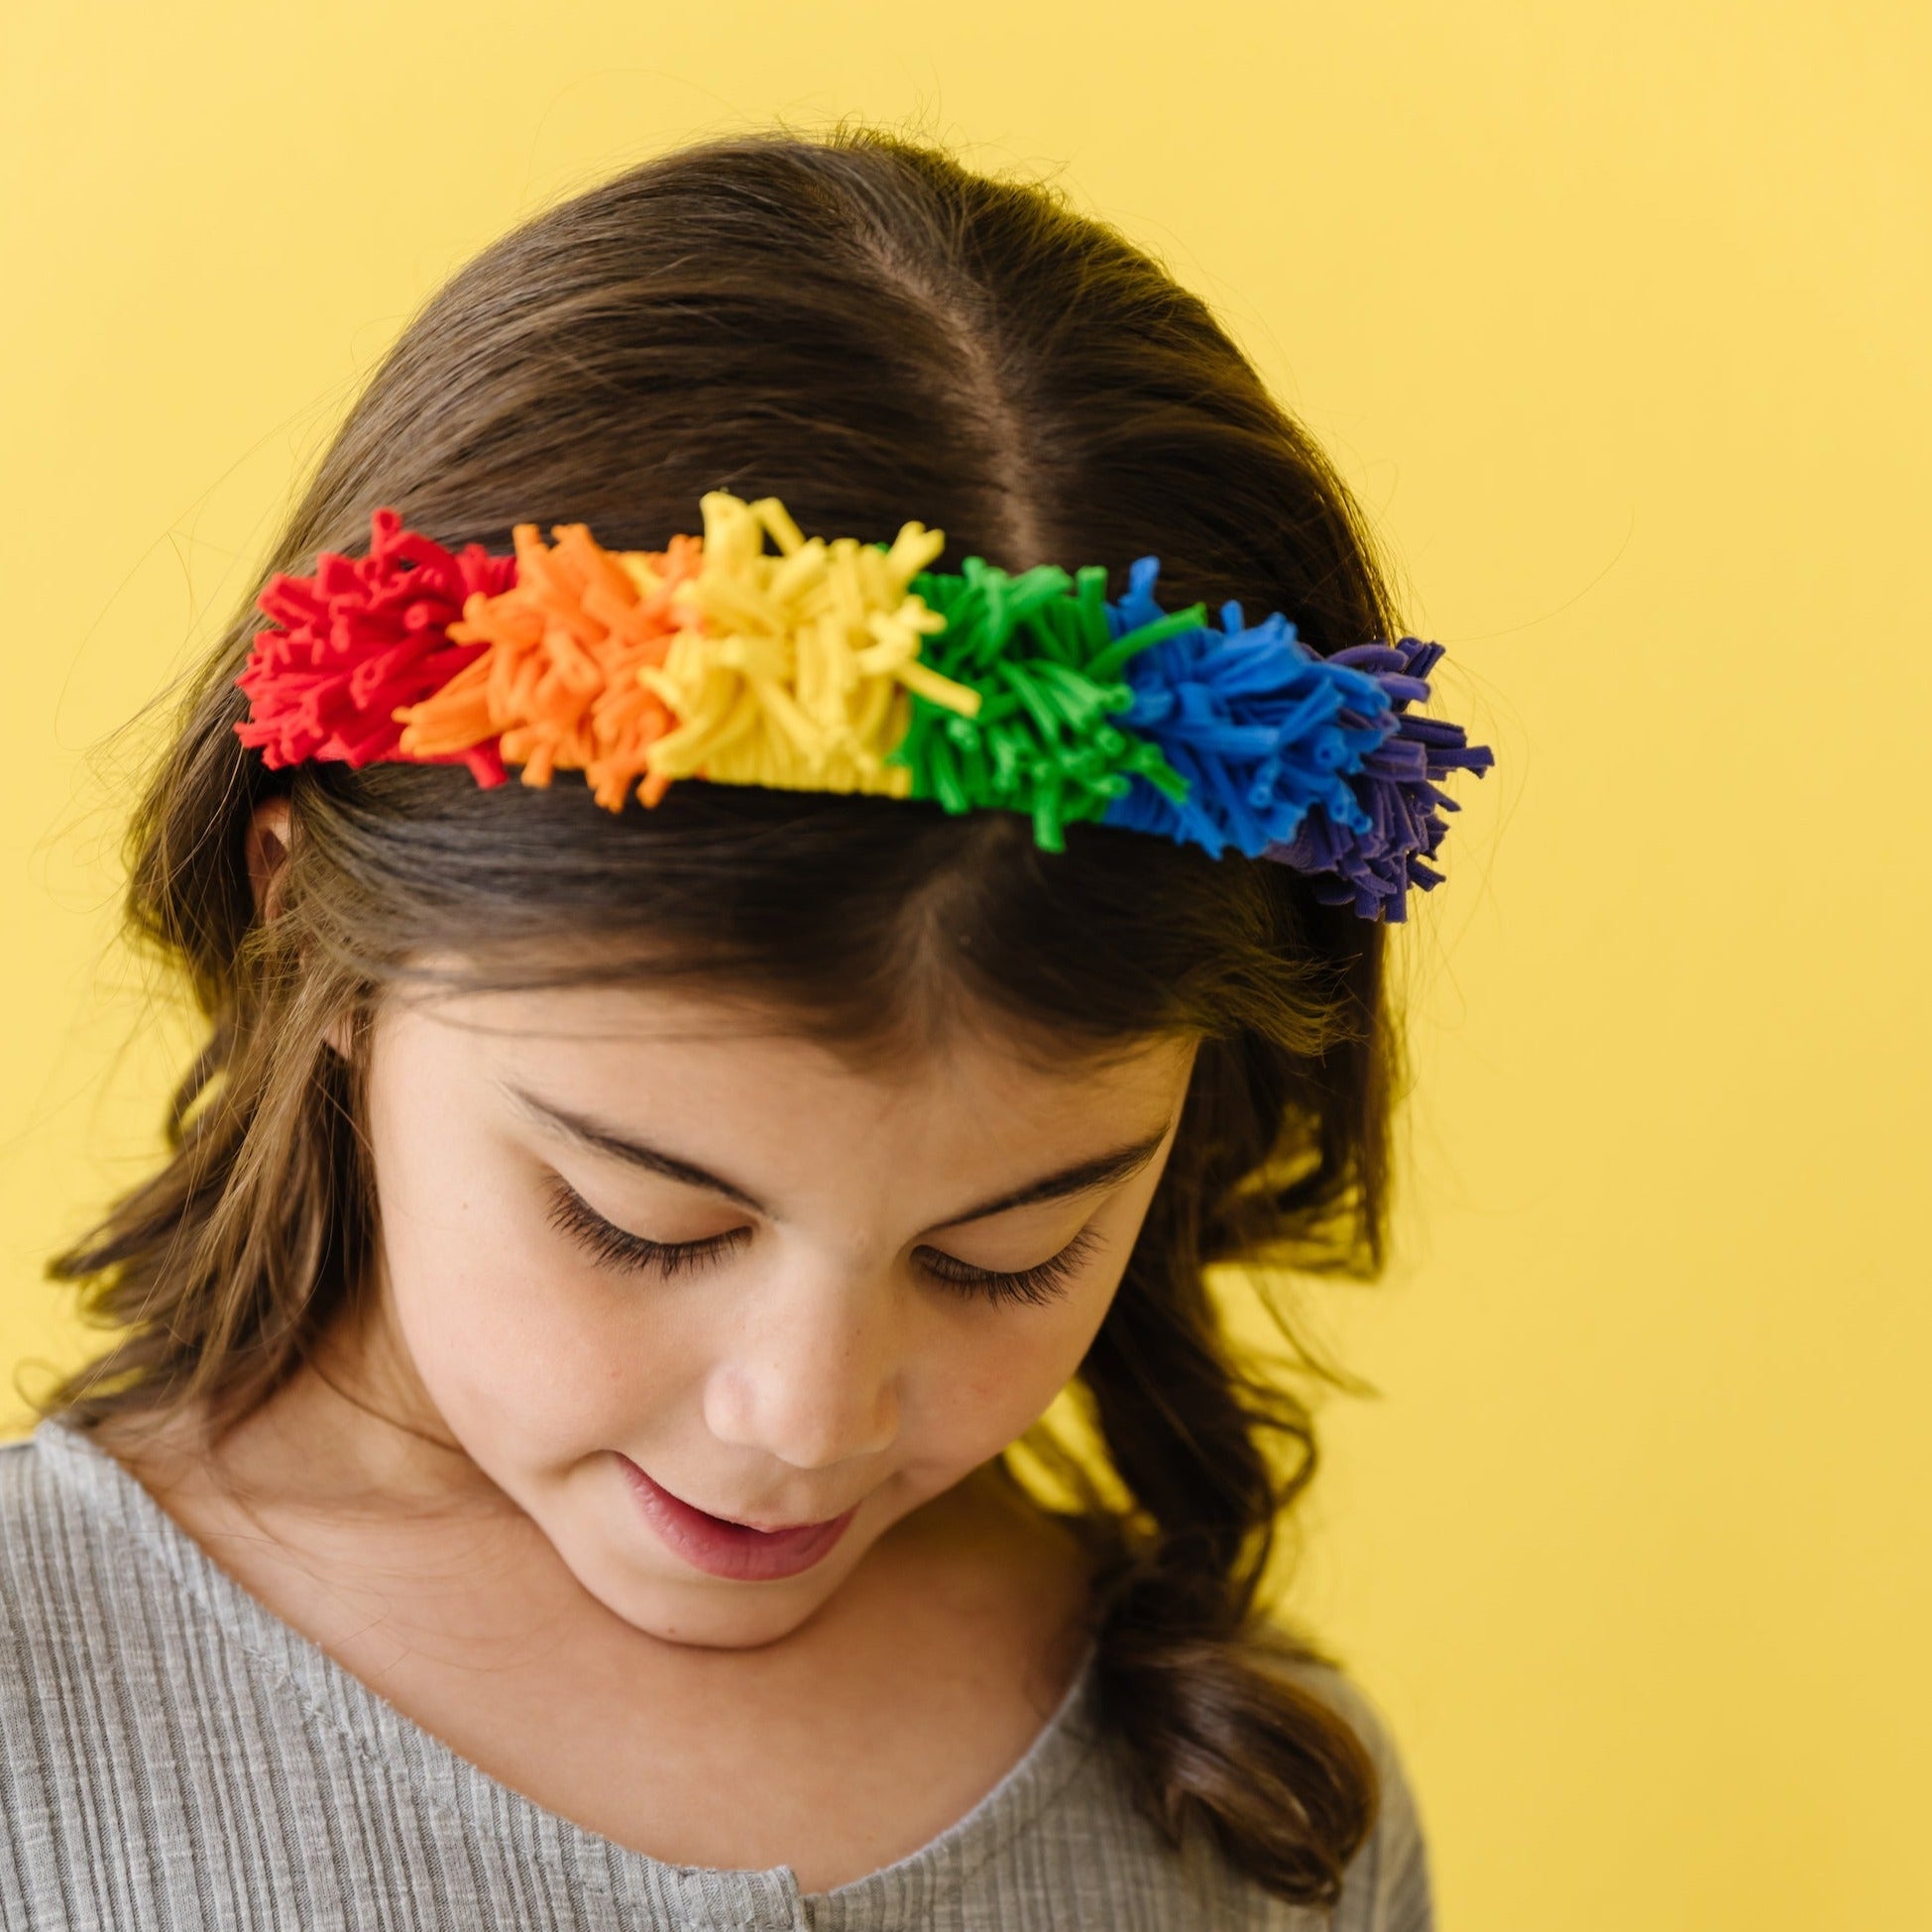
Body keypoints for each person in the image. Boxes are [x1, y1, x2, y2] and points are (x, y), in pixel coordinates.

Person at [0, 122, 1486, 1930]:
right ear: (307, 918)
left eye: (1009, 1249)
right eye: (644, 1218)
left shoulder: (1257, 1804)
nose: (801, 1416)